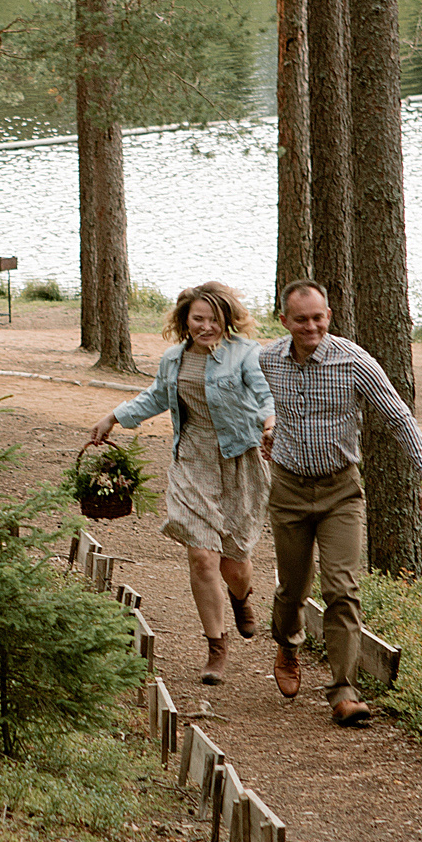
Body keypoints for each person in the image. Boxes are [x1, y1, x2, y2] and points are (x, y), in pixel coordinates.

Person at [258, 281, 422, 726]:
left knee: (341, 589)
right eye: (301, 319)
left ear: (329, 316)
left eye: (318, 317)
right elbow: (259, 404)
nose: (311, 326)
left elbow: (398, 416)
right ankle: (287, 643)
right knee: (293, 590)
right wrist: (267, 432)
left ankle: (343, 689)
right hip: (287, 491)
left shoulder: (353, 360)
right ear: (284, 320)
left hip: (340, 492)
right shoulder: (267, 360)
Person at [89, 284, 276, 686]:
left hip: (240, 459)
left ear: (226, 319)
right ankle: (216, 648)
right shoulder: (173, 359)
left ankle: (241, 595)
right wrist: (113, 417)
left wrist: (269, 422)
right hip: (192, 459)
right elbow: (155, 397)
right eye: (198, 319)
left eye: (213, 319)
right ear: (185, 320)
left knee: (234, 561)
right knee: (202, 557)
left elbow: (264, 394)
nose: (206, 326)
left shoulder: (245, 353)